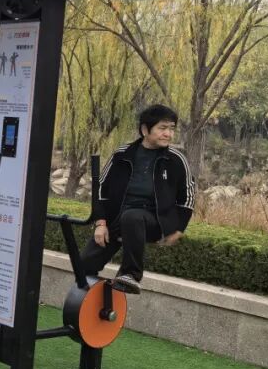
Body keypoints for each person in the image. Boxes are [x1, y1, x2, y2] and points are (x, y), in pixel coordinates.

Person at [82, 104, 195, 294]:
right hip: (118, 218)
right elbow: (101, 187)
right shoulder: (122, 154)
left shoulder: (176, 160)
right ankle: (101, 302)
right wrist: (101, 223)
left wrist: (178, 228)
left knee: (133, 217)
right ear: (144, 129)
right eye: (162, 128)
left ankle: (131, 275)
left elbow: (188, 197)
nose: (168, 134)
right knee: (84, 264)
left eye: (171, 129)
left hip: (154, 221)